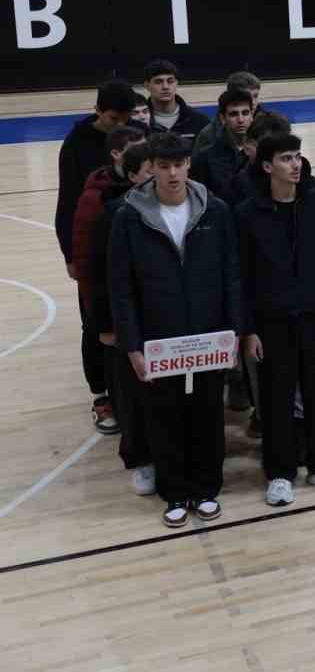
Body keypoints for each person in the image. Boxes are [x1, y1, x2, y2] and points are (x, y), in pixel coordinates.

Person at [108, 132, 242, 528]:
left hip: (207, 336)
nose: (171, 174)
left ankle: (206, 489)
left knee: (206, 413)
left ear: (188, 166)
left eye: (178, 165)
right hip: (158, 339)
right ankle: (174, 492)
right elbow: (121, 287)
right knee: (164, 418)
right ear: (151, 169)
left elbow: (231, 274)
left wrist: (234, 330)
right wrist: (132, 345)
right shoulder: (129, 216)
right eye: (163, 166)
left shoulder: (214, 210)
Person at [237, 132, 315, 508]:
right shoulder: (248, 213)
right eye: (286, 158)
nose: (296, 164)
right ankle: (280, 473)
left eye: (298, 156)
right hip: (271, 322)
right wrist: (248, 329)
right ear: (268, 166)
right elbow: (243, 278)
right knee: (276, 398)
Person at [57, 79, 137, 427]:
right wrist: (70, 257)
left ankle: (131, 389)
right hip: (92, 248)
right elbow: (66, 205)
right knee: (95, 322)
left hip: (129, 245)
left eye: (124, 119)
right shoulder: (75, 145)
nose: (118, 127)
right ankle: (101, 394)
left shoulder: (134, 138)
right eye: (112, 120)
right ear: (97, 111)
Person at [71, 124, 147, 434]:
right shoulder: (97, 199)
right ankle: (103, 398)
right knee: (101, 341)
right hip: (104, 294)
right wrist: (96, 310)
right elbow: (88, 259)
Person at [88, 140, 154, 492]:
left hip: (162, 319)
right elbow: (96, 277)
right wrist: (104, 326)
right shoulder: (111, 215)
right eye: (150, 169)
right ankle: (140, 460)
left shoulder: (178, 208)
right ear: (132, 177)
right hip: (125, 324)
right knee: (131, 396)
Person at [191, 87, 254, 206]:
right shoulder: (204, 158)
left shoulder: (264, 153)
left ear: (252, 115)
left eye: (245, 113)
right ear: (222, 118)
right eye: (233, 114)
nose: (240, 120)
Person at [192, 72, 262, 156]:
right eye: (247, 96)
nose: (253, 102)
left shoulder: (270, 127)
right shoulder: (208, 135)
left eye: (255, 96)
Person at [143, 59, 209, 139]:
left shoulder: (199, 120)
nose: (165, 87)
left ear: (176, 83)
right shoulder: (139, 121)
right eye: (158, 82)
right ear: (147, 86)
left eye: (170, 81)